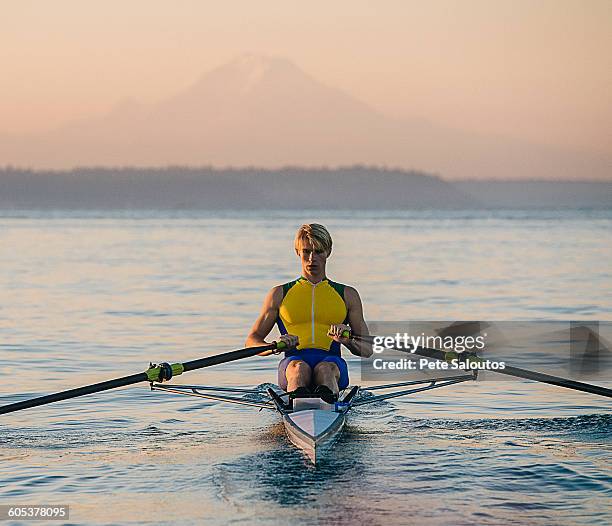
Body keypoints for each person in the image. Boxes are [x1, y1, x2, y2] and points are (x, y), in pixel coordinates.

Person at [245, 223, 371, 403]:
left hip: (332, 365)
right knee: (299, 369)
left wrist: (348, 340)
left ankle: (320, 406)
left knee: (325, 369)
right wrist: (274, 345)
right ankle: (302, 407)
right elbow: (252, 341)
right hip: (292, 363)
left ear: (328, 252)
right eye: (306, 252)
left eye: (318, 252)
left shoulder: (347, 295)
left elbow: (367, 349)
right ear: (298, 252)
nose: (312, 259)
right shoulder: (279, 294)